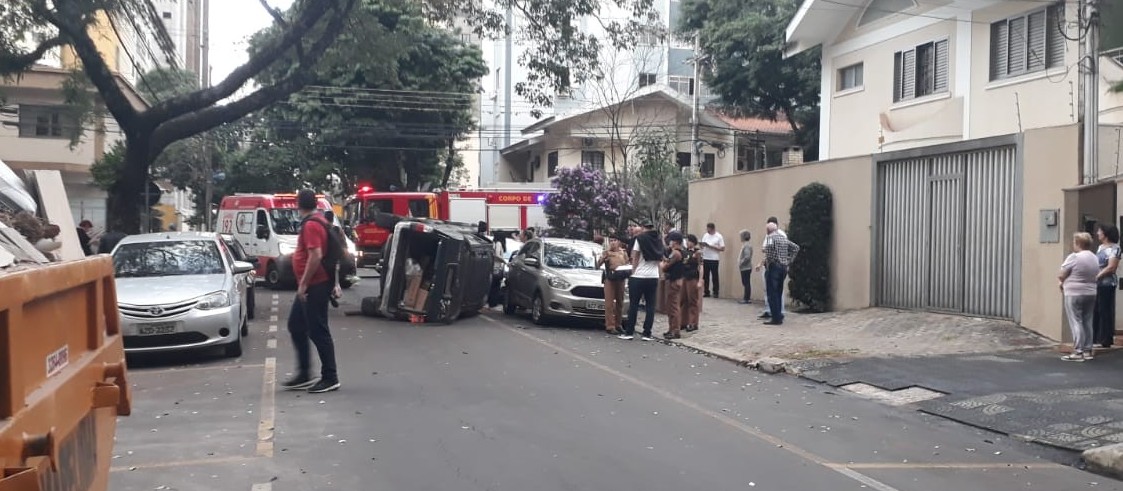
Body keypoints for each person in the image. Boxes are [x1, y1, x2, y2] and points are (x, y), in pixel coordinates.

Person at [281, 189, 341, 393]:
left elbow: (316, 255)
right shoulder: (319, 220)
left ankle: (330, 377)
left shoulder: (312, 225)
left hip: (315, 285)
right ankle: (305, 373)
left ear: (298, 205)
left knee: (318, 330)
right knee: (296, 325)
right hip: (315, 284)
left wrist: (304, 284)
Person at [1060, 232, 1100, 362]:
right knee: (1088, 320)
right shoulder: (1094, 257)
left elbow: (1062, 274)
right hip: (1091, 292)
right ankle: (1088, 350)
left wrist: (1061, 282)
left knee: (1076, 320)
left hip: (1074, 292)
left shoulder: (1074, 257)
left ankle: (1078, 352)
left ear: (1078, 243)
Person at [621, 221, 663, 341]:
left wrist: (633, 272)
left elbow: (635, 256)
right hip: (653, 276)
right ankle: (647, 333)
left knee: (633, 304)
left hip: (639, 275)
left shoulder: (640, 239)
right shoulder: (658, 240)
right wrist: (660, 274)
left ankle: (629, 332)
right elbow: (660, 259)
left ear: (644, 228)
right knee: (650, 305)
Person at [757, 222, 800, 326]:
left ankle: (775, 318)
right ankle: (779, 314)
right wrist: (789, 260)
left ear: (768, 231)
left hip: (774, 267)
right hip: (783, 267)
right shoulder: (782, 238)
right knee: (779, 292)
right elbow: (796, 247)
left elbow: (769, 252)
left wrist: (768, 263)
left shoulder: (770, 238)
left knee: (772, 293)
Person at [597, 235, 630, 335]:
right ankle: (610, 325)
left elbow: (628, 264)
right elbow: (598, 264)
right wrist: (603, 258)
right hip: (610, 279)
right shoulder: (607, 252)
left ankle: (618, 324)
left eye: (614, 240)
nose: (612, 243)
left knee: (620, 302)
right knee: (609, 303)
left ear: (618, 242)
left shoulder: (623, 252)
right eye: (611, 241)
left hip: (620, 278)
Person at [1094, 224, 1120, 349]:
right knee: (1096, 309)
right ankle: (1096, 336)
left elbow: (1111, 267)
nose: (1098, 233)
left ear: (1105, 234)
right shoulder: (1100, 247)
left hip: (1107, 283)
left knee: (1105, 309)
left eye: (1100, 231)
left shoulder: (1115, 248)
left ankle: (1106, 338)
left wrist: (1098, 275)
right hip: (1097, 282)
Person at [760, 217, 788, 319]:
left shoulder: (777, 235)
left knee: (774, 291)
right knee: (771, 290)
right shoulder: (775, 235)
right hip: (778, 265)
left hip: (774, 266)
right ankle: (772, 310)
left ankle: (777, 313)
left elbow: (768, 249)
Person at [661, 232, 686, 339]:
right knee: (671, 305)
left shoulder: (676, 253)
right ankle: (671, 328)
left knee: (673, 306)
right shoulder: (681, 252)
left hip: (674, 281)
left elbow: (665, 266)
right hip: (677, 280)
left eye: (670, 240)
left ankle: (675, 330)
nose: (669, 243)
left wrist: (662, 263)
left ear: (675, 241)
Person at [680, 234, 703, 332]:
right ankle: (683, 321)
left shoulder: (697, 252)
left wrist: (700, 280)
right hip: (684, 277)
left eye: (689, 241)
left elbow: (701, 266)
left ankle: (693, 323)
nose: (687, 243)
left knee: (692, 300)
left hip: (693, 277)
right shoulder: (684, 252)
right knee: (683, 300)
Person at [700, 223, 725, 298]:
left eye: (709, 229)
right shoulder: (705, 235)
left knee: (714, 276)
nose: (708, 230)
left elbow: (722, 248)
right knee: (705, 276)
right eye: (707, 229)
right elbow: (702, 246)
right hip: (705, 257)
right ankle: (706, 291)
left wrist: (710, 246)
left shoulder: (718, 236)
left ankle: (716, 292)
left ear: (713, 229)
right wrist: (702, 245)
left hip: (714, 258)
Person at [738, 229, 753, 304]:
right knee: (746, 282)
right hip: (745, 267)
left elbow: (747, 257)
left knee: (746, 283)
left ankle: (746, 298)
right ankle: (747, 298)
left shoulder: (746, 245)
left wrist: (741, 262)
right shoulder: (746, 244)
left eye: (741, 236)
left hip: (745, 267)